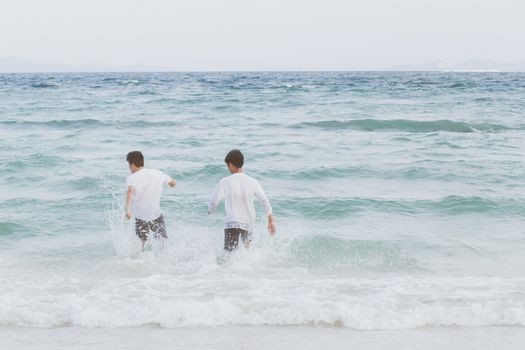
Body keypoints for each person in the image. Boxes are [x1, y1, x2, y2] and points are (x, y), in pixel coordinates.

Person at [208, 149, 276, 252]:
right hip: (248, 224)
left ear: (230, 164)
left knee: (229, 256)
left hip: (231, 223)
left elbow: (214, 202)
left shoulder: (225, 182)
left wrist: (210, 211)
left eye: (227, 165)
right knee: (247, 254)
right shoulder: (253, 182)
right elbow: (264, 201)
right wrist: (270, 220)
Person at [125, 151, 176, 250]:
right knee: (163, 241)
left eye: (128, 165)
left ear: (132, 164)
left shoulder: (131, 178)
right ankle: (164, 261)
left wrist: (128, 210)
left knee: (141, 244)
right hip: (156, 215)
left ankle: (140, 262)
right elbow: (173, 183)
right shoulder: (157, 173)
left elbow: (130, 190)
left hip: (141, 217)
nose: (129, 168)